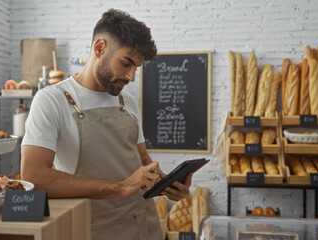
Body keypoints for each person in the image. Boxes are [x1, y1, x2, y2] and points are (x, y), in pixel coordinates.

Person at [21, 9, 192, 239]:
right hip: (93, 229)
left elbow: (142, 161)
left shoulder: (128, 101)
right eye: (126, 63)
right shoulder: (52, 100)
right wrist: (120, 188)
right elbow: (34, 177)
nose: (131, 77)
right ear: (99, 48)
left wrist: (169, 185)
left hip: (144, 225)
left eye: (136, 68)